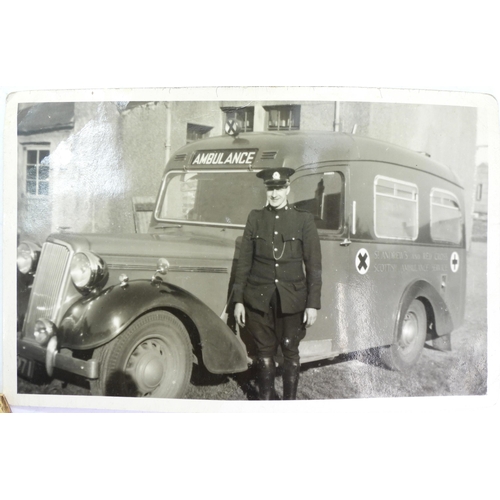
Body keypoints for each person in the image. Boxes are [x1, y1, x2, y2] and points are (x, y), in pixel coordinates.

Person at [233, 167, 322, 400]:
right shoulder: (255, 218)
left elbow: (314, 265)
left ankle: (288, 406)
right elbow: (244, 263)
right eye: (271, 189)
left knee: (291, 352)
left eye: (279, 188)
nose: (274, 194)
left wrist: (312, 303)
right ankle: (266, 403)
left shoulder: (303, 220)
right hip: (258, 299)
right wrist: (238, 300)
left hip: (291, 300)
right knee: (264, 353)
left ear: (288, 189)